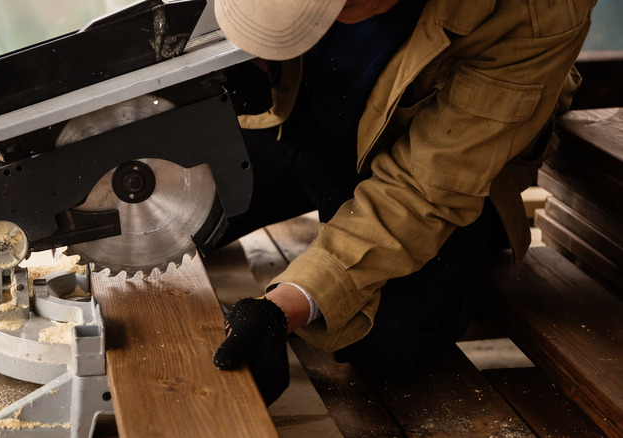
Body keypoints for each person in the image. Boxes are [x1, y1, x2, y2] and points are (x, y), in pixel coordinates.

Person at [211, 0, 595, 406]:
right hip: (307, 109)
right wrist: (247, 51)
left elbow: (424, 190)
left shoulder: (541, 11)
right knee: (177, 208)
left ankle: (473, 248)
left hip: (442, 154)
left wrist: (284, 306)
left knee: (389, 340)